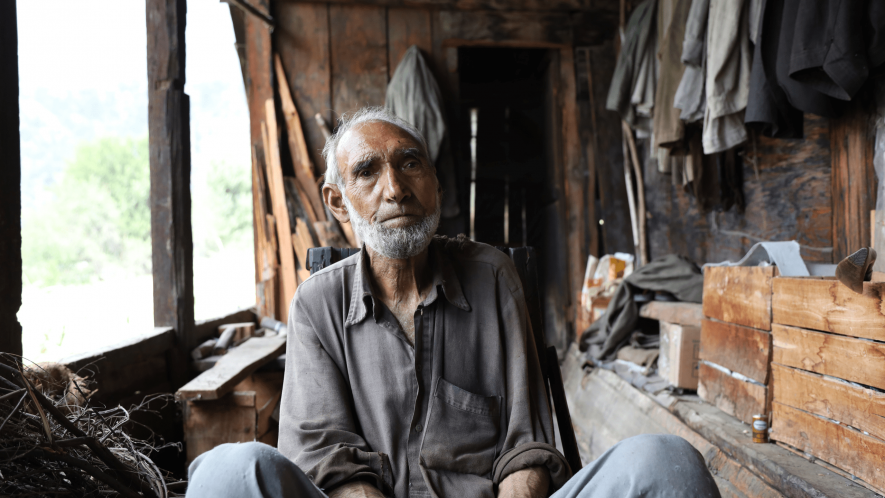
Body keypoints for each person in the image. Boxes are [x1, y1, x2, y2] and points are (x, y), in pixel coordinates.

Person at [186, 107, 721, 498]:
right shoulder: (317, 305)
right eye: (367, 171)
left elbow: (526, 449)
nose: (395, 188)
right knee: (224, 473)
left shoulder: (492, 278)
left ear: (435, 183)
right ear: (338, 203)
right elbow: (326, 461)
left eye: (410, 163)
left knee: (667, 462)